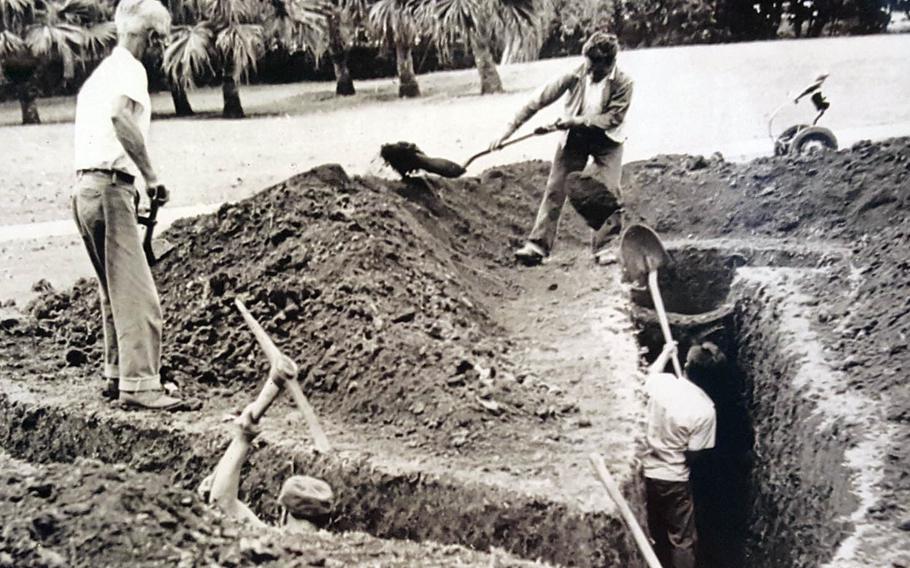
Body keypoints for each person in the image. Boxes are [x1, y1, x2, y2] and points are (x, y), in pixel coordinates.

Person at [71, 0, 184, 409]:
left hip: (85, 190)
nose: (161, 48)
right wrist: (151, 177)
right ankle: (142, 387)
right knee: (139, 296)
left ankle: (117, 373)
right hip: (109, 188)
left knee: (112, 291)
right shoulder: (130, 71)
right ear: (150, 37)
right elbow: (121, 118)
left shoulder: (102, 73)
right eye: (161, 38)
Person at [489, 32, 634, 266]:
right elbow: (536, 101)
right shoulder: (574, 75)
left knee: (609, 190)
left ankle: (605, 247)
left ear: (610, 64)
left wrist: (576, 120)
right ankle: (537, 245)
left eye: (593, 67)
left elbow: (613, 118)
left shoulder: (624, 83)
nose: (587, 71)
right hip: (574, 139)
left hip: (607, 140)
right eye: (586, 64)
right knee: (555, 188)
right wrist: (506, 132)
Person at [200, 353, 334, 532]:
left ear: (283, 514)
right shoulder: (336, 547)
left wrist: (243, 438)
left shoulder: (276, 541)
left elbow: (222, 502)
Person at [641, 341, 724, 568]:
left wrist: (665, 354)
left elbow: (647, 377)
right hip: (673, 480)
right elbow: (695, 456)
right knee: (683, 539)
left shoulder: (661, 383)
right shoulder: (705, 411)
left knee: (646, 527)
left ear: (686, 365)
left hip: (642, 471)